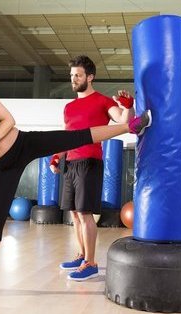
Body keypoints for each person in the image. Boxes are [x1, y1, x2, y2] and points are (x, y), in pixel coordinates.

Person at [0, 56, 152, 296]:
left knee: (73, 136)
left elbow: (8, 119)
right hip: (2, 167)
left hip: (23, 143)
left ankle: (130, 127)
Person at [50, 55, 135, 281]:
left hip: (90, 162)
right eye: (71, 76)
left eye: (77, 75)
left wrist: (127, 106)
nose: (73, 79)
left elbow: (122, 120)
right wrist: (57, 156)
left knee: (85, 214)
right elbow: (66, 136)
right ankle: (81, 255)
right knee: (75, 215)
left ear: (90, 77)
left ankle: (91, 262)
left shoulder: (102, 101)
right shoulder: (68, 107)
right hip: (71, 163)